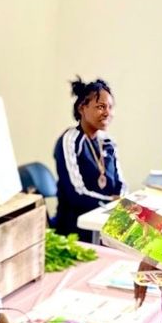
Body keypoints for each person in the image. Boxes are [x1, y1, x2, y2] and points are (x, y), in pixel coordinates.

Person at [52, 77, 126, 242]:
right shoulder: (69, 141)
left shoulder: (108, 142)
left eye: (110, 107)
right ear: (82, 108)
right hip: (76, 229)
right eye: (100, 107)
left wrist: (120, 202)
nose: (107, 113)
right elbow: (75, 194)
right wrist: (113, 204)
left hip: (105, 224)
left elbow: (121, 185)